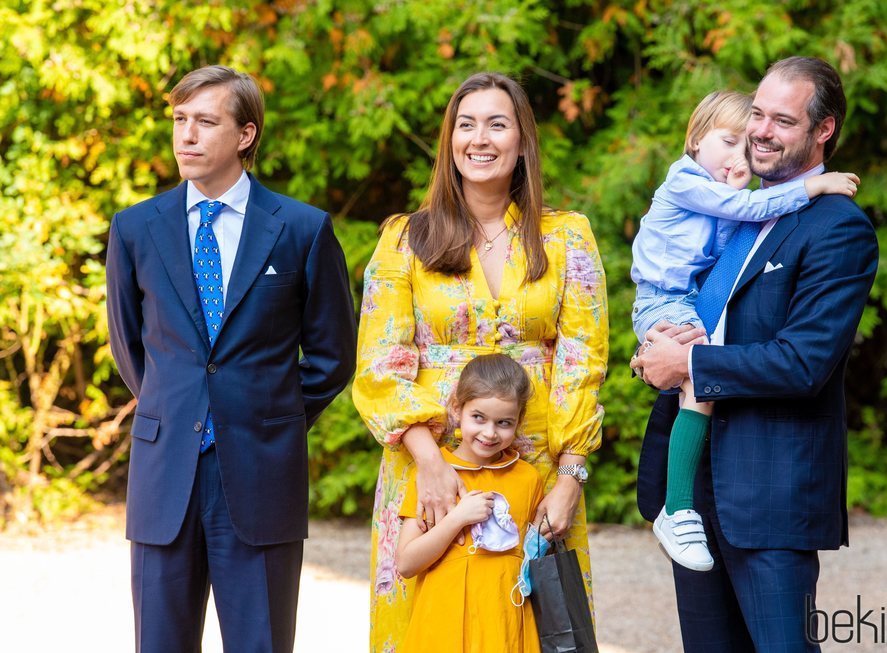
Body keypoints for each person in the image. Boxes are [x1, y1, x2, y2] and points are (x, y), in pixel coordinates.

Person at [352, 72, 608, 652]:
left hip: (537, 465)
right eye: (465, 124)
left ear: (522, 141)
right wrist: (429, 463)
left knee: (532, 620)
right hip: (427, 461)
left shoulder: (566, 237)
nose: (480, 138)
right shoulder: (405, 238)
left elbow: (582, 363)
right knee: (428, 617)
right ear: (449, 141)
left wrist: (569, 476)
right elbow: (377, 365)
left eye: (497, 123)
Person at [105, 65, 357, 652]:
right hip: (165, 471)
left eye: (205, 122)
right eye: (179, 121)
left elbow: (333, 354)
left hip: (262, 471)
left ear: (245, 135)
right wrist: (177, 408)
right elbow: (129, 344)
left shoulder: (302, 229)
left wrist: (270, 416)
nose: (185, 136)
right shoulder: (135, 228)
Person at [631, 56, 878, 651]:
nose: (760, 132)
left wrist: (687, 366)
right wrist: (658, 351)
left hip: (769, 495)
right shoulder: (722, 211)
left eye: (782, 120)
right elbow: (698, 310)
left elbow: (803, 362)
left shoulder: (835, 228)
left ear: (823, 130)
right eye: (756, 115)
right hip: (693, 492)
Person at [395, 354, 544, 653]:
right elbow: (407, 563)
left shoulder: (528, 478)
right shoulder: (434, 477)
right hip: (442, 628)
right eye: (479, 418)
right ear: (457, 409)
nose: (490, 433)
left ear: (519, 421)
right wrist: (457, 519)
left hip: (504, 627)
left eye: (504, 423)